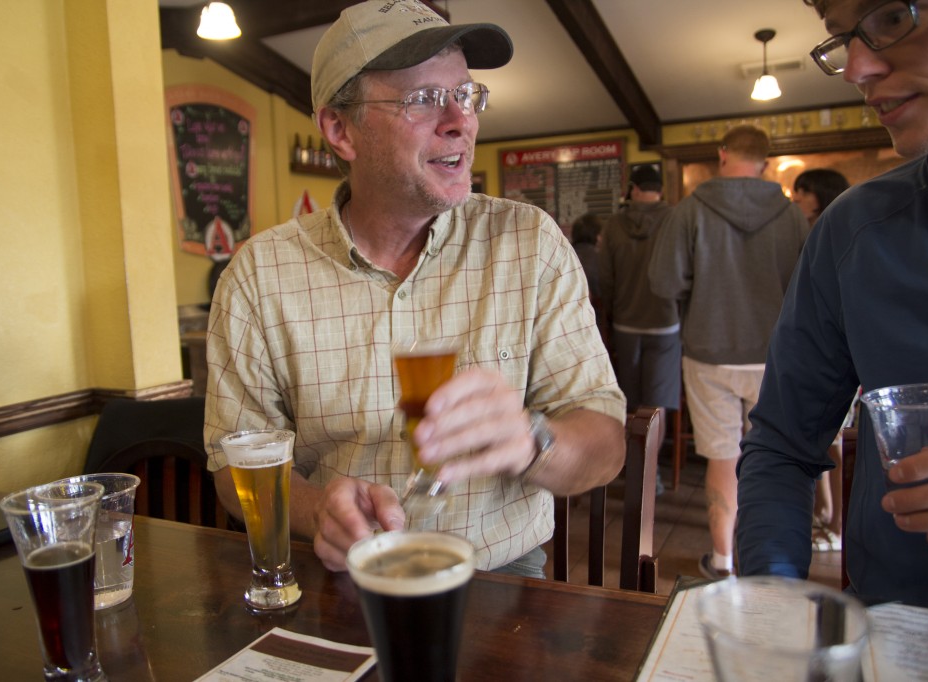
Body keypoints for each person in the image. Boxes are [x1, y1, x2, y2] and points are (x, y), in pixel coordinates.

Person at [202, 0, 626, 578]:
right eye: (424, 99)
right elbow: (233, 468)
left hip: (498, 579)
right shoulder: (259, 275)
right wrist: (315, 510)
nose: (461, 120)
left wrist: (534, 443)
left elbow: (605, 443)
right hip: (338, 580)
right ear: (339, 130)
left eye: (467, 94)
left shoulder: (528, 242)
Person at [737, 0, 928, 608]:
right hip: (897, 624)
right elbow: (781, 445)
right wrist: (772, 605)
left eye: (889, 18)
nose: (856, 67)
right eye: (843, 38)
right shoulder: (858, 229)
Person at [648, 124, 809, 580]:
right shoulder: (792, 214)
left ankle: (722, 559)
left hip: (709, 351)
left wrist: (701, 288)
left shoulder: (690, 210)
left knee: (723, 457)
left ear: (722, 155)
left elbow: (664, 282)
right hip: (775, 355)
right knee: (775, 459)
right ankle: (773, 564)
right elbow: (808, 286)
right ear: (767, 162)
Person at [597, 164, 679, 495]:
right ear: (659, 188)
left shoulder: (614, 224)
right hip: (666, 323)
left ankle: (630, 468)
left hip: (625, 324)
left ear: (632, 189)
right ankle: (651, 475)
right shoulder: (675, 219)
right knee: (656, 404)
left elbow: (606, 279)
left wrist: (615, 313)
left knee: (629, 403)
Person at [792, 168, 854, 554]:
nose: (796, 199)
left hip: (841, 352)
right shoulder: (812, 229)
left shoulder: (837, 228)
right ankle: (825, 513)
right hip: (818, 349)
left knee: (839, 444)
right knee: (823, 439)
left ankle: (837, 524)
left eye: (802, 192)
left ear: (819, 194)